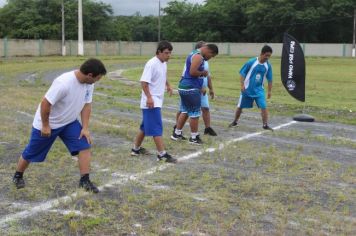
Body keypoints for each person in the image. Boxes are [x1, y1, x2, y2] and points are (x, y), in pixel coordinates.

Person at [12, 58, 107, 193]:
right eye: (97, 78)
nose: (97, 81)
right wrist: (45, 125)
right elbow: (46, 103)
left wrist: (85, 128)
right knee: (31, 153)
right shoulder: (64, 83)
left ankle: (84, 181)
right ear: (89, 75)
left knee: (84, 145)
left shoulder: (89, 84)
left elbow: (87, 104)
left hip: (69, 122)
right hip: (49, 123)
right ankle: (18, 175)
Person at [131, 40, 177, 163]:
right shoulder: (151, 64)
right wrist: (149, 98)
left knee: (145, 127)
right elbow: (144, 83)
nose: (169, 56)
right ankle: (162, 154)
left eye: (170, 53)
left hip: (157, 99)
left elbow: (163, 75)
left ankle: (135, 149)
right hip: (151, 101)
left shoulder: (163, 63)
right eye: (166, 53)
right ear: (159, 52)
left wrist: (168, 85)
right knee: (157, 127)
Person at [172, 43, 219, 145]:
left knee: (185, 111)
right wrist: (203, 73)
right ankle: (194, 137)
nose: (210, 58)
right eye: (212, 56)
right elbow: (192, 72)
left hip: (184, 86)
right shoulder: (198, 57)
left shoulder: (194, 53)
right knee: (195, 114)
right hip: (191, 88)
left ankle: (177, 133)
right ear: (208, 51)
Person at [229, 45, 274, 130]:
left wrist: (269, 91)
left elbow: (270, 79)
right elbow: (242, 73)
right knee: (240, 107)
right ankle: (235, 121)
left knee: (263, 106)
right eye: (266, 55)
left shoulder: (268, 66)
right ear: (261, 54)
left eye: (269, 56)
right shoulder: (251, 62)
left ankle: (265, 125)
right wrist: (242, 85)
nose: (267, 58)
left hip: (259, 90)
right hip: (247, 89)